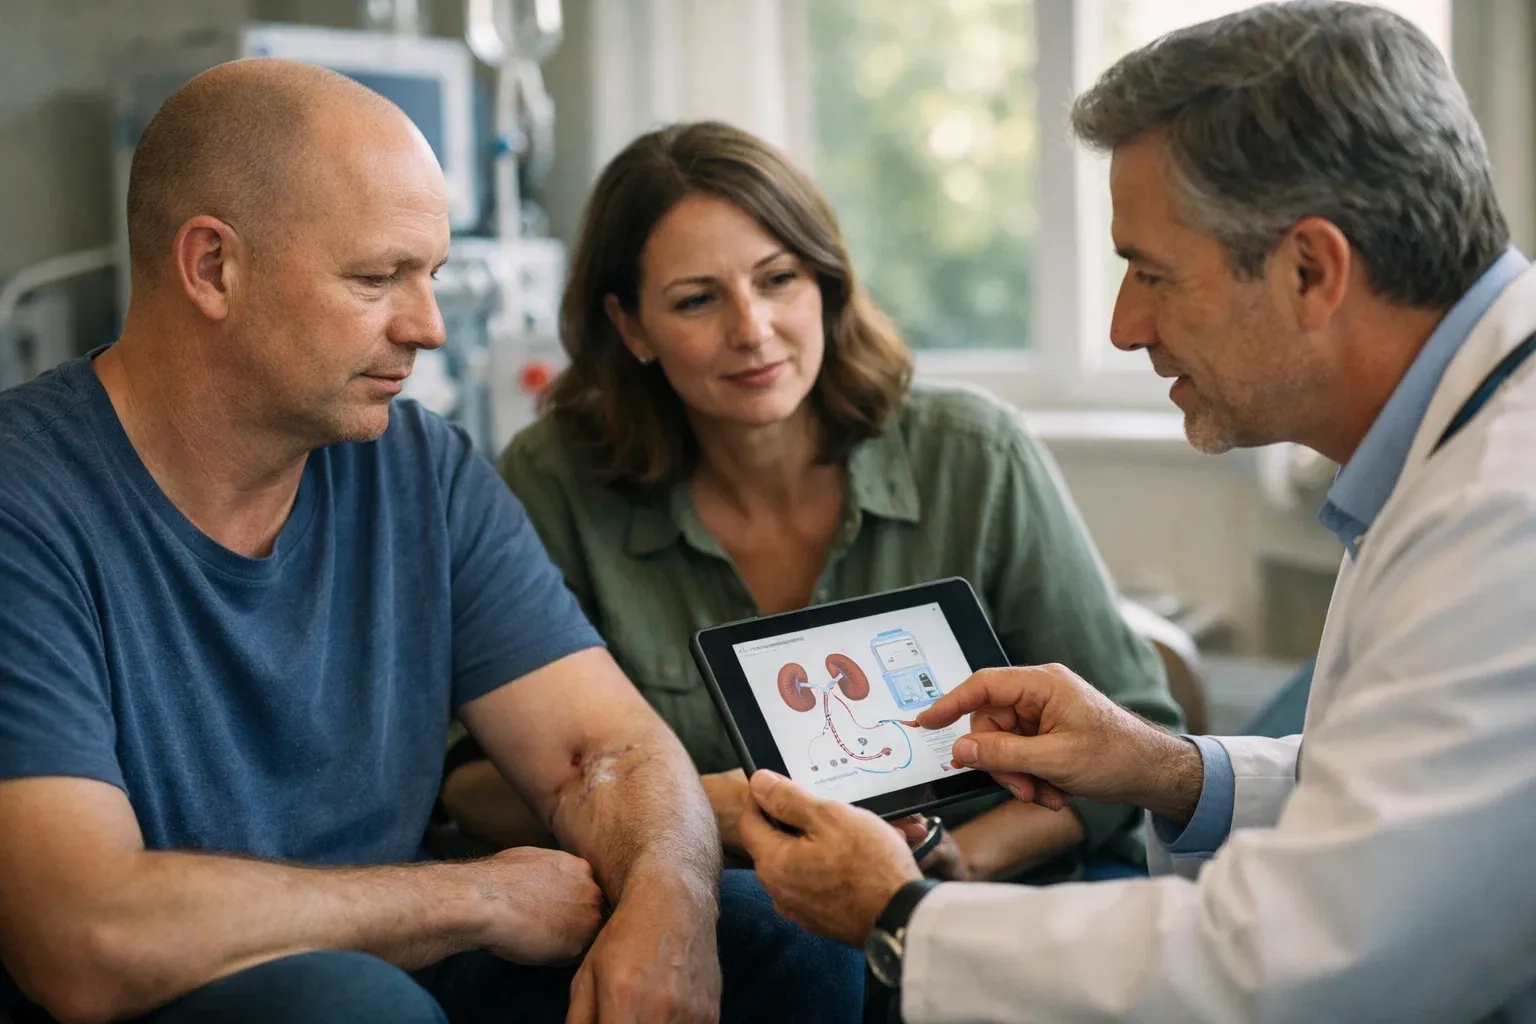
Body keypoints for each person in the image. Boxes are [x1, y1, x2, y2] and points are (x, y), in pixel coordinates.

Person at [0, 60, 863, 1024]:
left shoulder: (421, 465)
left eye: (432, 274)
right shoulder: (24, 500)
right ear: (211, 267)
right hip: (171, 993)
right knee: (351, 1005)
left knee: (778, 938)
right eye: (378, 278)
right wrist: (477, 895)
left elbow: (605, 751)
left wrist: (671, 908)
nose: (430, 326)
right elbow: (82, 936)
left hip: (400, 971)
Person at [741, 3, 1536, 1021]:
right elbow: (1407, 809)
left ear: (1311, 269)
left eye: (1153, 274)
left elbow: (1308, 958)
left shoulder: (1502, 512)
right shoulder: (1453, 449)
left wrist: (899, 915)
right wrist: (1163, 768)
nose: (1125, 327)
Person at [436, 120, 1184, 884]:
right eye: (697, 301)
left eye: (779, 279)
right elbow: (470, 788)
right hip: (727, 913)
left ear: (827, 282)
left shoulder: (976, 455)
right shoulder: (556, 479)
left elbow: (1140, 740)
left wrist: (945, 874)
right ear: (631, 326)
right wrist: (686, 809)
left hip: (993, 895)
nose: (752, 330)